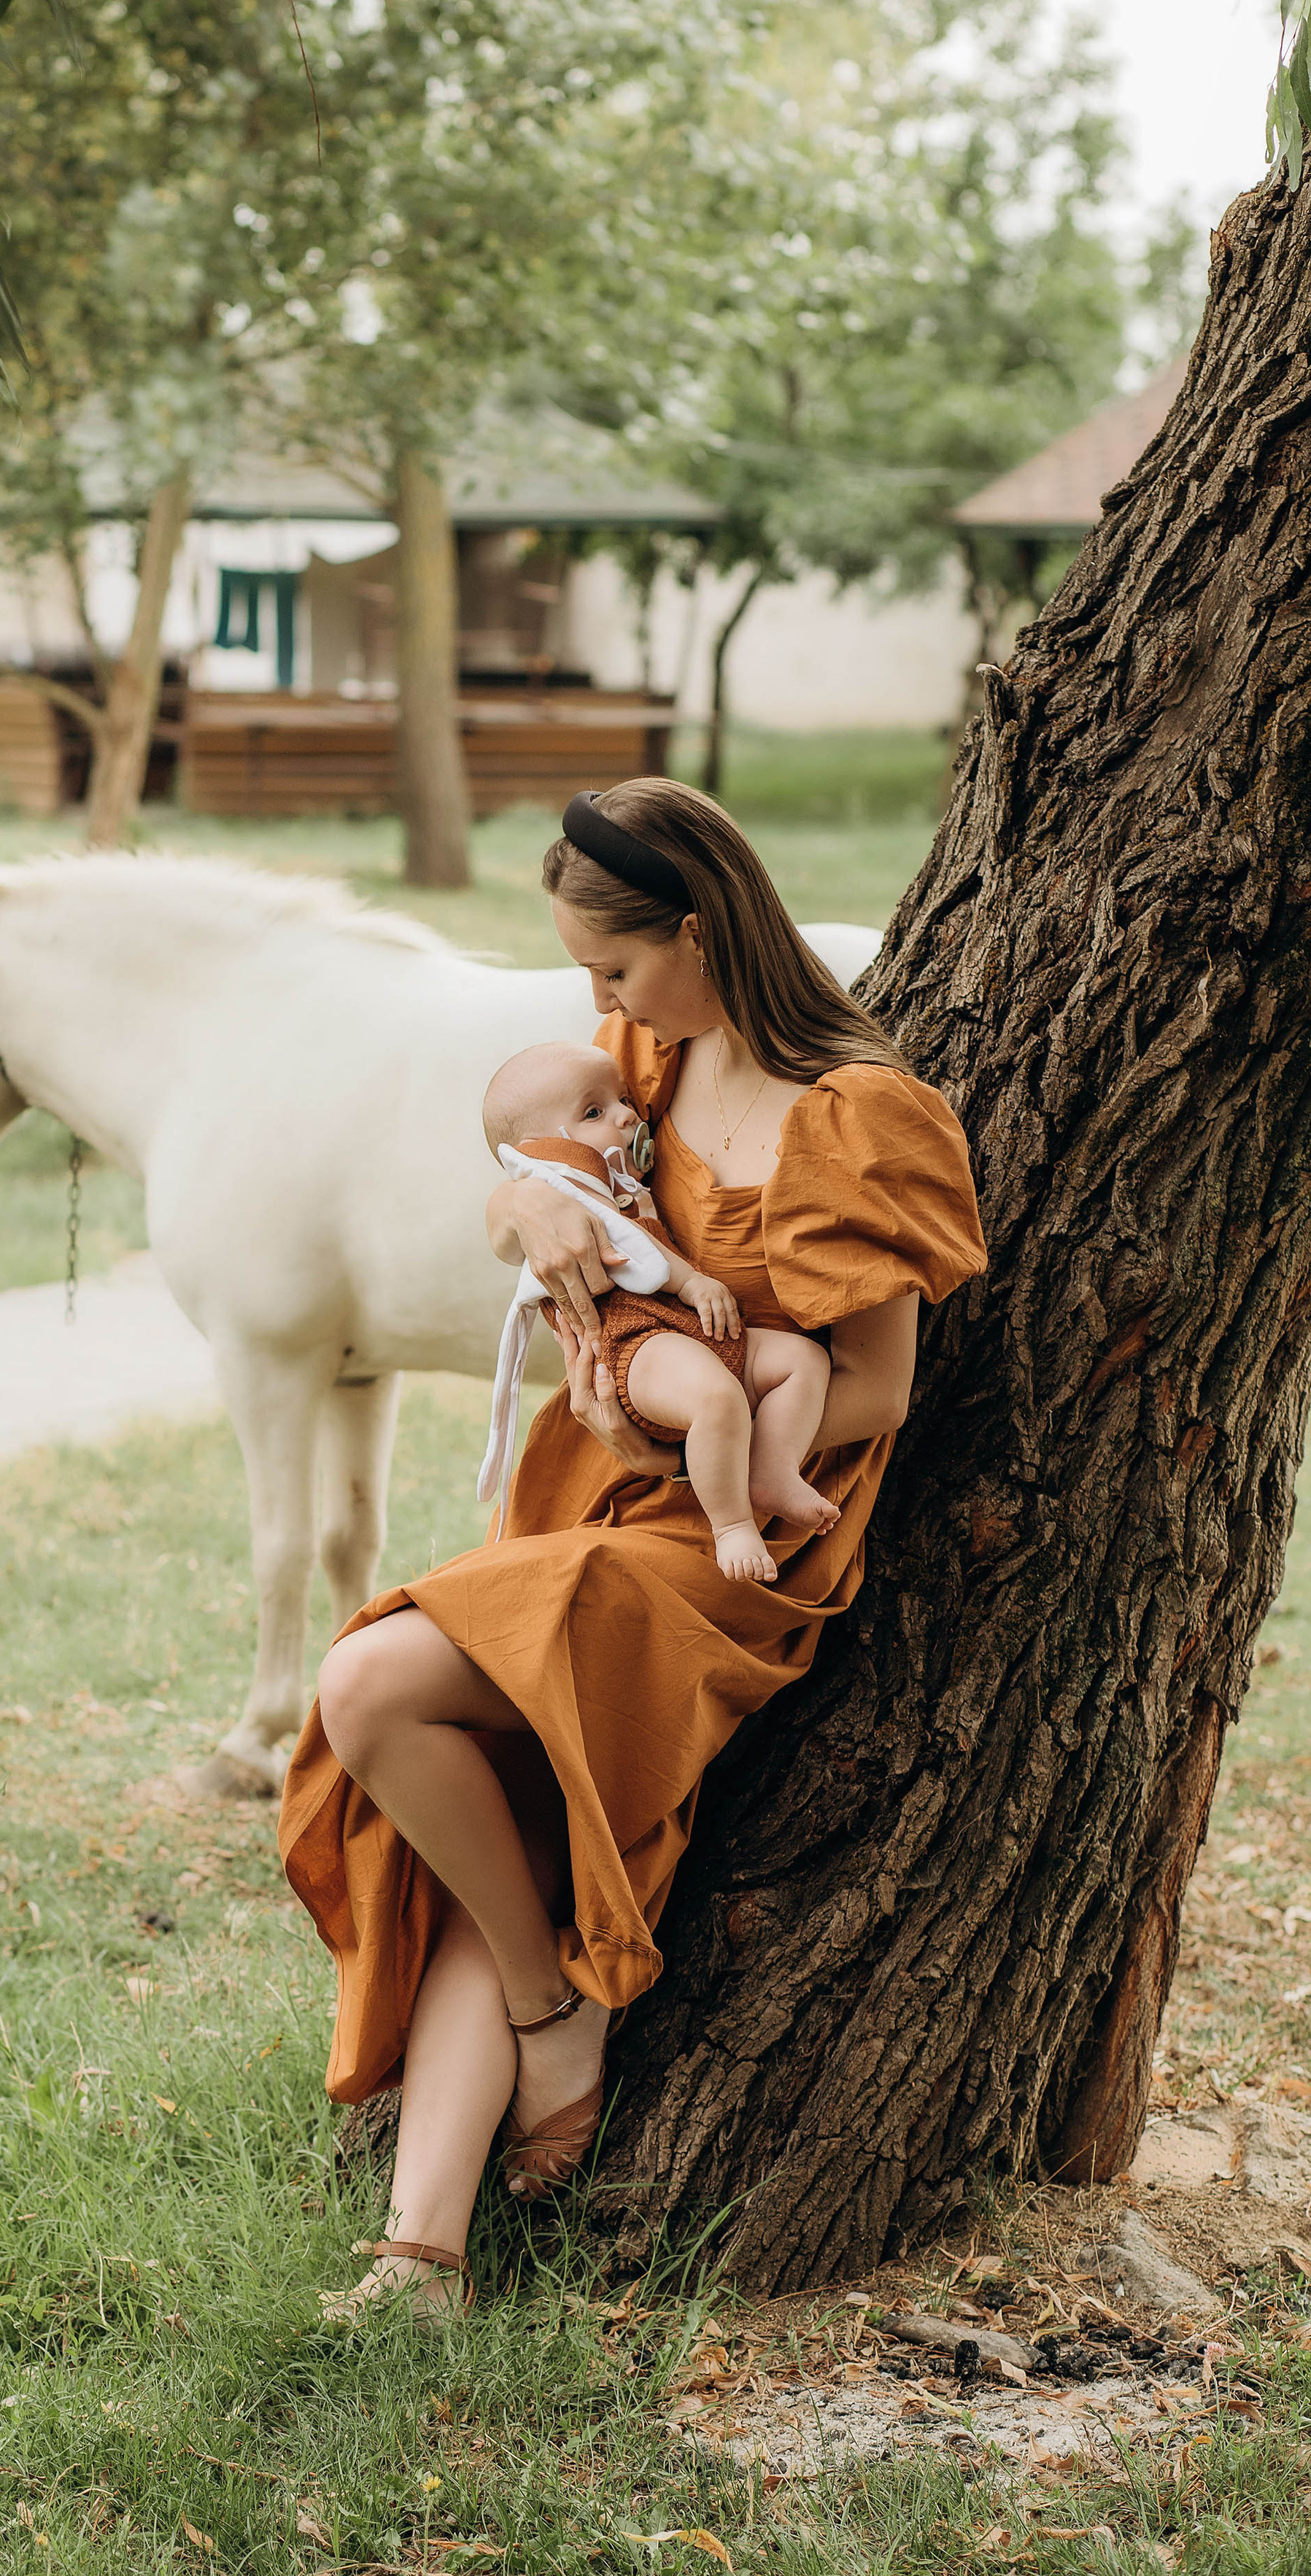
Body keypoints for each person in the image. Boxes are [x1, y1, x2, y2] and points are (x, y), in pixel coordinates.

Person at [279, 779, 986, 2320]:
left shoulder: (858, 1114)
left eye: (613, 969)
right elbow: (551, 1181)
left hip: (745, 1533)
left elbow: (871, 1387)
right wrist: (513, 1219)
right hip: (590, 1498)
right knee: (503, 1823)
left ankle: (549, 2009)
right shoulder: (644, 1060)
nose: (600, 1008)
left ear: (697, 927)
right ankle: (420, 2251)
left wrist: (673, 1425)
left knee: (374, 1689)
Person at [477, 1037, 837, 1581]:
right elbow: (633, 1255)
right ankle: (733, 1526)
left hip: (688, 1334)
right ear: (548, 1147)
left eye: (622, 1099)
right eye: (594, 1112)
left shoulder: (617, 1182)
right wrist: (692, 1282)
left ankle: (772, 1467)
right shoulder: (567, 1191)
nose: (626, 1116)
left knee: (803, 1362)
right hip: (633, 1344)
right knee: (715, 1397)